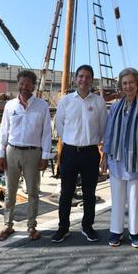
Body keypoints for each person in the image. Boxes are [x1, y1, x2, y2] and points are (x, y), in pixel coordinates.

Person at [101, 68, 138, 248]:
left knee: (133, 199)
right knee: (117, 198)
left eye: (131, 82)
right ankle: (116, 231)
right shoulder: (115, 107)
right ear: (121, 85)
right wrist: (104, 156)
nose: (128, 86)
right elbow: (108, 133)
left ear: (137, 84)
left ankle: (134, 233)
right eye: (124, 83)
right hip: (116, 161)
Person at [52, 65, 108, 243]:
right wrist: (71, 139)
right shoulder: (65, 101)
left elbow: (103, 128)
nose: (84, 80)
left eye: (88, 77)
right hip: (69, 151)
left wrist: (93, 143)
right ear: (76, 79)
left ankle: (87, 226)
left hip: (90, 152)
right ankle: (63, 228)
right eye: (81, 76)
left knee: (89, 192)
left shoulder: (98, 102)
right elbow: (59, 126)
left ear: (92, 80)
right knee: (66, 192)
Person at [0, 70, 52, 241]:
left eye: (28, 84)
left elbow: (46, 134)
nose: (24, 87)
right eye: (21, 83)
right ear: (18, 84)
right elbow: (3, 131)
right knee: (10, 190)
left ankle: (31, 226)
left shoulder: (42, 106)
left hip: (33, 153)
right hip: (12, 151)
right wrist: (1, 154)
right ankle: (8, 224)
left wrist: (45, 157)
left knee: (33, 192)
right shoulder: (10, 106)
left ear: (33, 86)